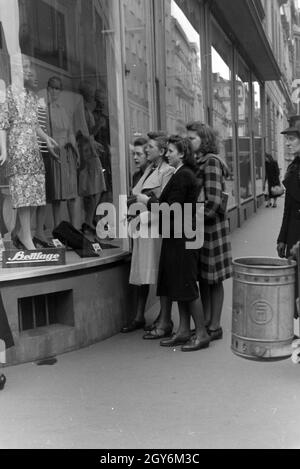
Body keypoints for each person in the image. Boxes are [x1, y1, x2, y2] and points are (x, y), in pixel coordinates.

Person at [137, 136, 210, 351]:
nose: (167, 154)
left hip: (182, 237)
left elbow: (170, 209)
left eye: (170, 151)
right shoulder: (182, 174)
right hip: (178, 235)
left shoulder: (183, 175)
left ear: (181, 154)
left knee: (186, 285)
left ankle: (202, 333)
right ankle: (184, 331)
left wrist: (147, 201)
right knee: (179, 285)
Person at [0, 56, 59, 250]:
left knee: (34, 194)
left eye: (28, 66)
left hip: (33, 149)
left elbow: (34, 124)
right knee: (24, 194)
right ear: (15, 70)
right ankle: (26, 236)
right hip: (18, 148)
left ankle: (19, 232)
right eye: (24, 66)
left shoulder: (31, 97)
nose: (29, 70)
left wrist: (46, 139)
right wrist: (4, 149)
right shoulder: (7, 95)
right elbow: (2, 123)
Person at [121, 133, 174, 335]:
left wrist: (142, 215)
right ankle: (139, 316)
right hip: (142, 229)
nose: (146, 151)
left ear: (160, 151)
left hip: (155, 228)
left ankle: (163, 317)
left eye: (149, 147)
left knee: (160, 274)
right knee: (142, 274)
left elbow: (164, 204)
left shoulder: (167, 172)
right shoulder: (148, 170)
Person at [186, 122, 233, 341]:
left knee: (214, 279)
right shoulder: (199, 162)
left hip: (211, 228)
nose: (189, 141)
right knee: (204, 278)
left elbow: (213, 202)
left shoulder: (211, 162)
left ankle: (215, 325)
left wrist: (191, 218)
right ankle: (206, 322)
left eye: (193, 138)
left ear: (204, 141)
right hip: (203, 227)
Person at [46, 76, 81, 229]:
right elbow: (46, 132)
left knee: (72, 194)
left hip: (68, 153)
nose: (55, 91)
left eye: (58, 88)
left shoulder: (63, 109)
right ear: (48, 89)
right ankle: (57, 229)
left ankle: (73, 229)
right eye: (53, 87)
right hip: (55, 151)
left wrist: (76, 152)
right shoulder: (46, 109)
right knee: (57, 196)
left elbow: (71, 132)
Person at [277, 116, 300, 259]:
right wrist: (282, 238)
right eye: (287, 139)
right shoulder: (293, 167)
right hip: (294, 235)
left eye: (291, 139)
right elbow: (288, 208)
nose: (287, 143)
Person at [77, 135, 106, 231]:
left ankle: (89, 220)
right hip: (90, 166)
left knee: (95, 195)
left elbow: (100, 150)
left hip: (93, 165)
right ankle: (88, 221)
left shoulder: (90, 143)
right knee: (93, 196)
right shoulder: (86, 143)